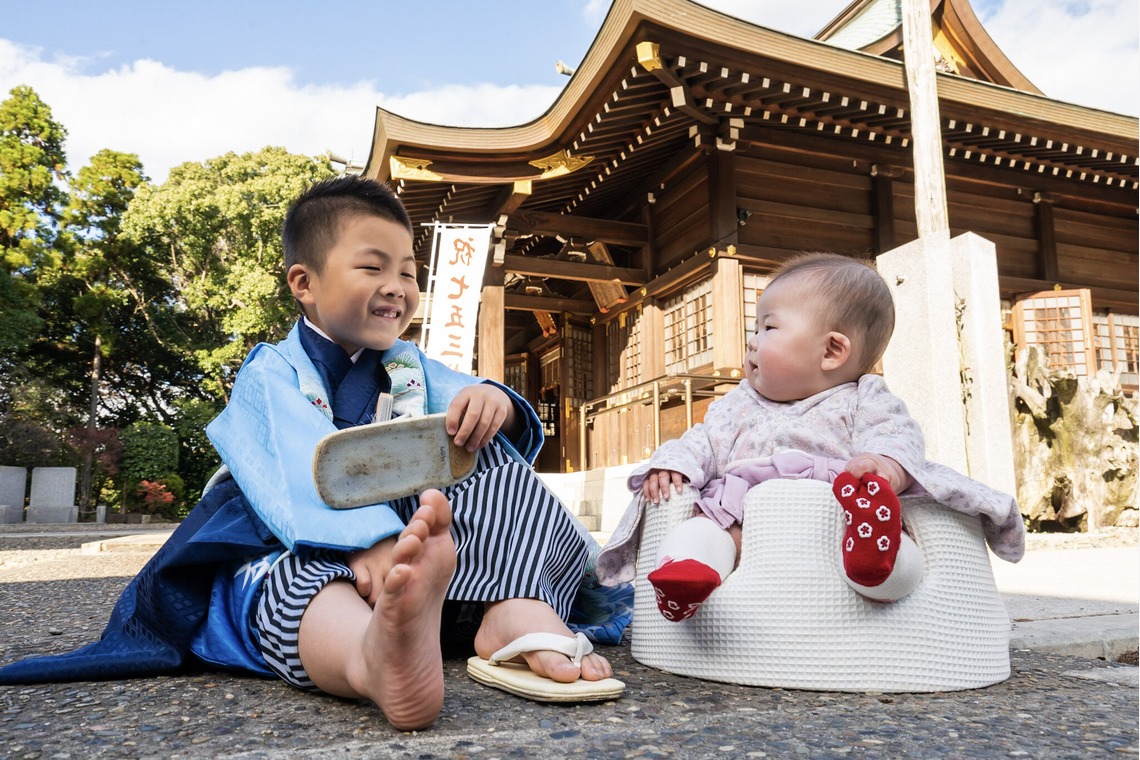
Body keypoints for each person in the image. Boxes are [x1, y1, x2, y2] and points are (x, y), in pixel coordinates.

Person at [0, 176, 628, 730]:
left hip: (433, 556)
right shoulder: (273, 371)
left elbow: (470, 401)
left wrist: (494, 403)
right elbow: (292, 469)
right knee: (288, 578)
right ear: (304, 282)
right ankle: (372, 657)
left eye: (409, 271)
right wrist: (364, 538)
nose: (397, 288)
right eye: (373, 268)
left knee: (483, 457)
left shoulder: (410, 366)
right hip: (307, 534)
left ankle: (513, 610)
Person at [595, 252, 1025, 621]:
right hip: (742, 518)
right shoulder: (736, 403)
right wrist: (673, 463)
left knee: (903, 552)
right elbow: (701, 442)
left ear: (832, 351)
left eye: (768, 328)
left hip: (841, 513)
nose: (751, 341)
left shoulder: (865, 398)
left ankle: (880, 566)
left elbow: (895, 434)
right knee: (701, 532)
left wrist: (883, 467)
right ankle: (686, 576)